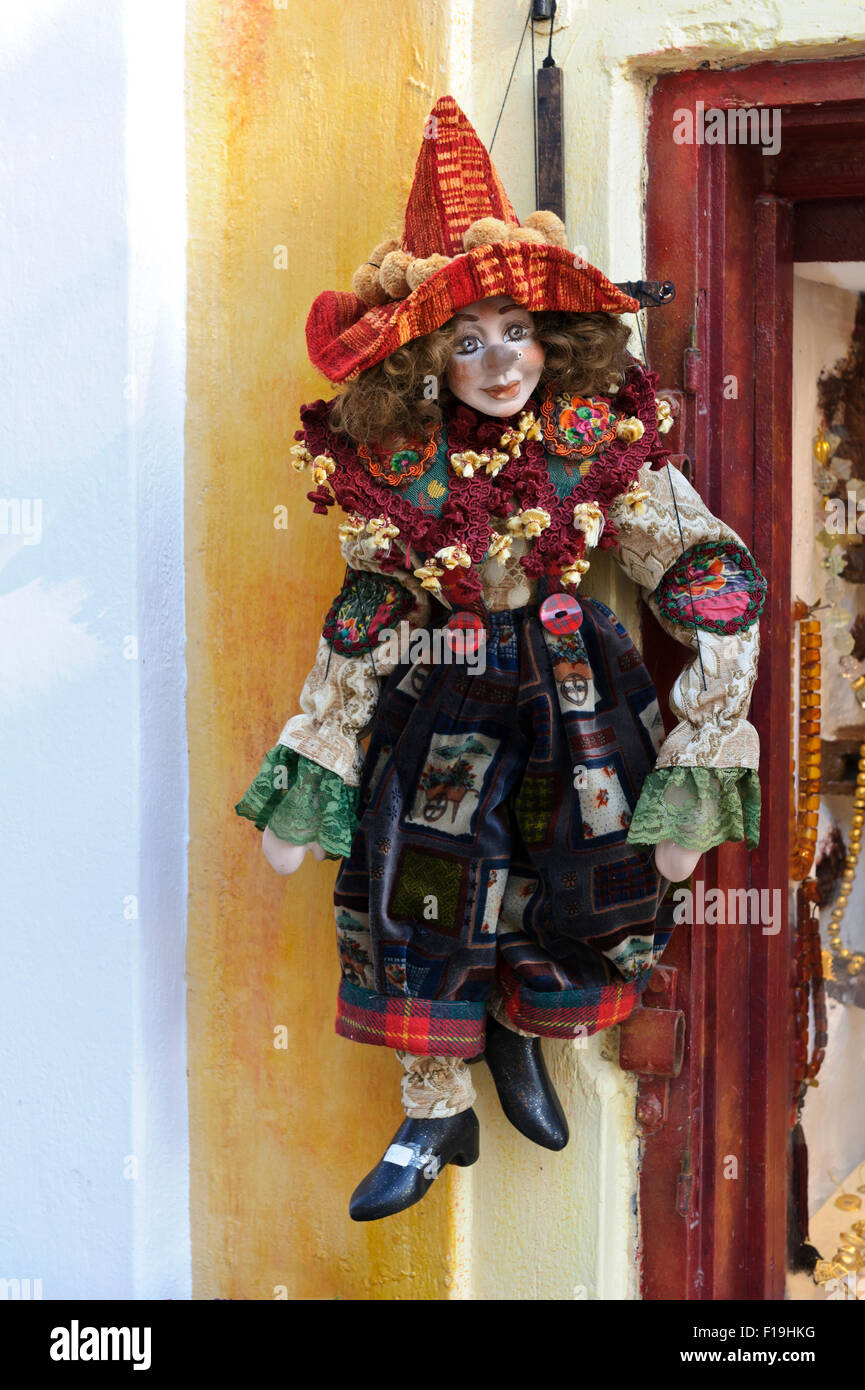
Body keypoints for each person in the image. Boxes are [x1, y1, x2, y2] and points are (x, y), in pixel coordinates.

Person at [236, 96, 765, 1222]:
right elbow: (370, 606)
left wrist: (710, 728)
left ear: (551, 334)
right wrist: (322, 748)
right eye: (463, 341)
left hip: (576, 683)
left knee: (593, 860)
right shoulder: (399, 472)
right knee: (419, 882)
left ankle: (524, 1026)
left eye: (514, 330)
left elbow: (703, 565)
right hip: (446, 685)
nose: (496, 360)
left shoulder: (591, 439)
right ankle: (434, 1100)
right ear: (424, 359)